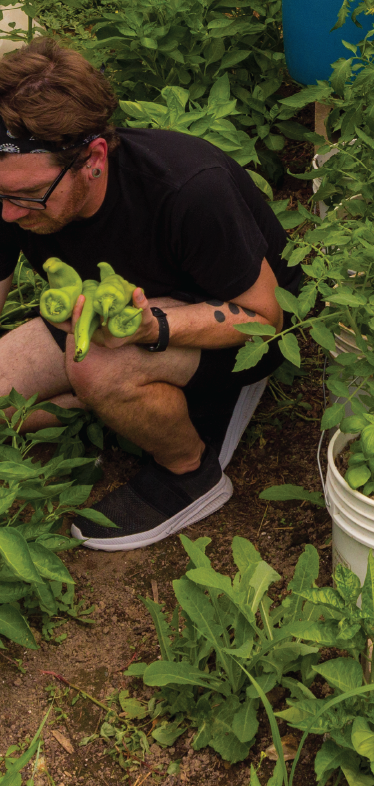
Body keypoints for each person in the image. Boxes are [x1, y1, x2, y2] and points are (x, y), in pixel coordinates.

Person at [0, 39, 293, 550]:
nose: (9, 213)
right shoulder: (14, 186)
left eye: (28, 197)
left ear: (92, 158)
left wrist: (151, 327)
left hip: (228, 325)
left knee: (94, 366)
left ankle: (189, 472)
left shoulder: (188, 188)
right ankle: (120, 408)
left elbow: (267, 318)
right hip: (95, 319)